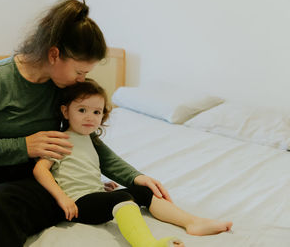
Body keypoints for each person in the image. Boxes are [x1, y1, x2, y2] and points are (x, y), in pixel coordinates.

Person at [0, 0, 155, 247]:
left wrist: (135, 177)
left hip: (33, 177)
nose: (81, 80)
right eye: (79, 71)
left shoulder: (64, 88)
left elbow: (86, 141)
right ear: (53, 54)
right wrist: (24, 146)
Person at [33, 79, 233, 247]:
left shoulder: (90, 140)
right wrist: (62, 198)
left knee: (143, 190)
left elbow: (78, 170)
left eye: (96, 112)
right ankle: (147, 244)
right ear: (65, 111)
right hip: (78, 204)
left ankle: (192, 222)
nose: (90, 117)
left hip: (93, 195)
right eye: (82, 110)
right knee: (122, 198)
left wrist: (100, 186)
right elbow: (40, 169)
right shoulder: (60, 139)